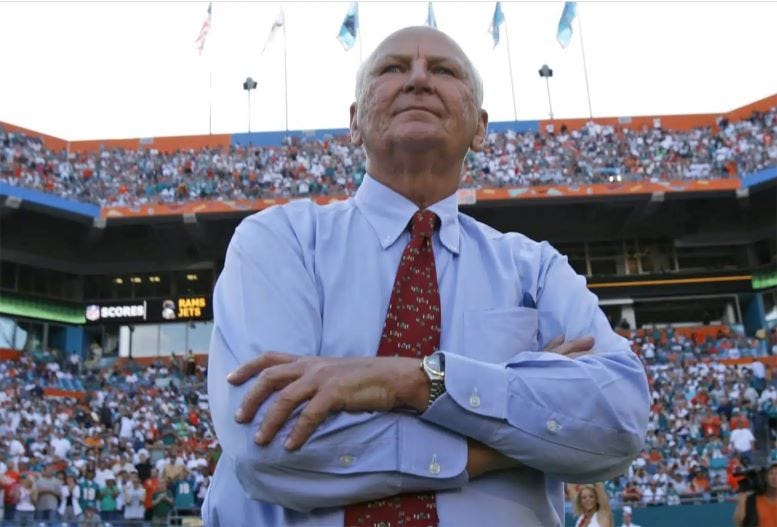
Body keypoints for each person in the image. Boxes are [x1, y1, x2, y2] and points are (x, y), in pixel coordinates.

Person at [203, 25, 649, 527]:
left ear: (481, 129)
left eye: (444, 70)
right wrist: (514, 440)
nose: (418, 80)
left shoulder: (535, 268)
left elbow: (619, 419)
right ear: (354, 123)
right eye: (393, 69)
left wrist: (414, 381)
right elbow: (267, 443)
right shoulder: (279, 240)